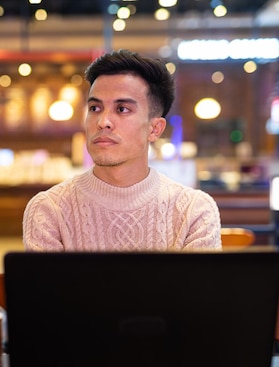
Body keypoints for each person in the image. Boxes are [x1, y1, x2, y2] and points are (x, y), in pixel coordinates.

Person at [22, 49, 221, 251]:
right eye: (95, 108)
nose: (103, 122)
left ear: (154, 129)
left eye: (122, 109)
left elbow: (199, 284)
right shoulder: (49, 209)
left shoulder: (194, 211)